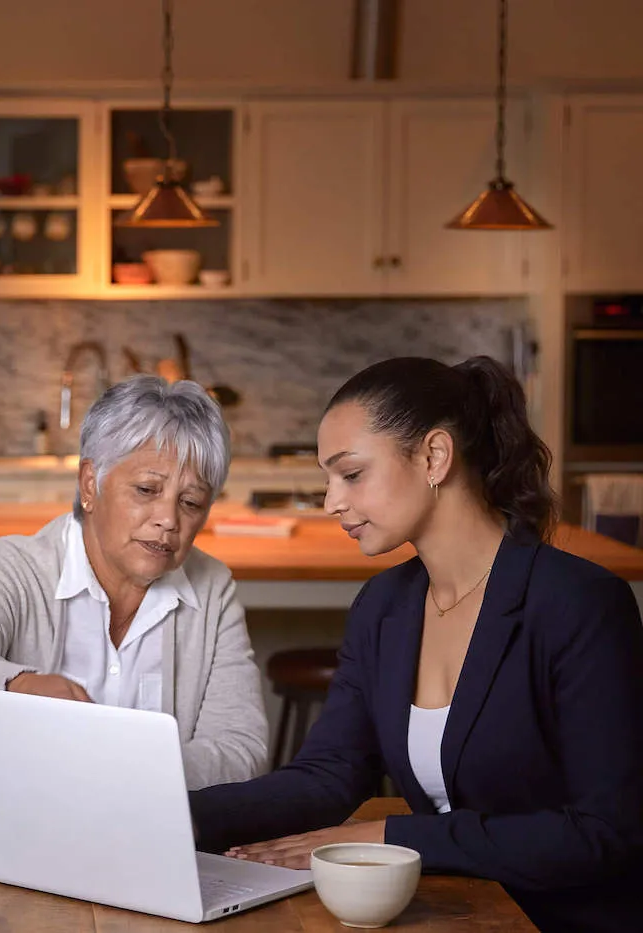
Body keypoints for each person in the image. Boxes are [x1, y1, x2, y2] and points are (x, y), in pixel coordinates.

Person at [190, 356, 643, 933]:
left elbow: (605, 831)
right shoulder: (384, 607)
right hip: (453, 912)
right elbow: (328, 776)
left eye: (351, 474)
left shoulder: (580, 604)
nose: (331, 502)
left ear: (434, 456)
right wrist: (176, 815)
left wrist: (391, 835)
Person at [0, 375, 267, 796]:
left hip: (147, 843)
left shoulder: (212, 589)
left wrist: (116, 767)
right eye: (146, 490)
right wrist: (18, 687)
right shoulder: (11, 566)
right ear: (89, 485)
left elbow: (242, 750)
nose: (169, 519)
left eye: (190, 502)